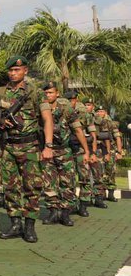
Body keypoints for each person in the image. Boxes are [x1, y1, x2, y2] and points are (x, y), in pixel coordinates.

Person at [0, 56, 53, 243]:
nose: (13, 73)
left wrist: (48, 146)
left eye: (17, 70)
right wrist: (0, 120)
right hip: (8, 146)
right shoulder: (0, 93)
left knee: (32, 187)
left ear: (25, 71)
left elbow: (47, 119)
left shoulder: (35, 92)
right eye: (11, 70)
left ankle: (29, 226)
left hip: (30, 146)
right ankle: (15, 224)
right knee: (10, 187)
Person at [40, 83, 89, 226]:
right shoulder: (40, 109)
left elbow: (78, 130)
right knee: (49, 182)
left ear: (57, 94)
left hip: (64, 150)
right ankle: (53, 211)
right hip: (47, 151)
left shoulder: (66, 109)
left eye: (50, 92)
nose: (48, 95)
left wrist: (86, 151)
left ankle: (65, 212)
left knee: (68, 182)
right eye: (46, 93)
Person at [66, 93, 97, 217]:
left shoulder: (85, 115)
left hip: (81, 150)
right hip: (66, 150)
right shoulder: (61, 113)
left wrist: (93, 152)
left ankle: (83, 205)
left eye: (71, 100)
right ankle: (71, 204)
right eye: (67, 100)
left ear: (75, 101)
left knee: (84, 178)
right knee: (68, 179)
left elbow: (93, 135)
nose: (69, 102)